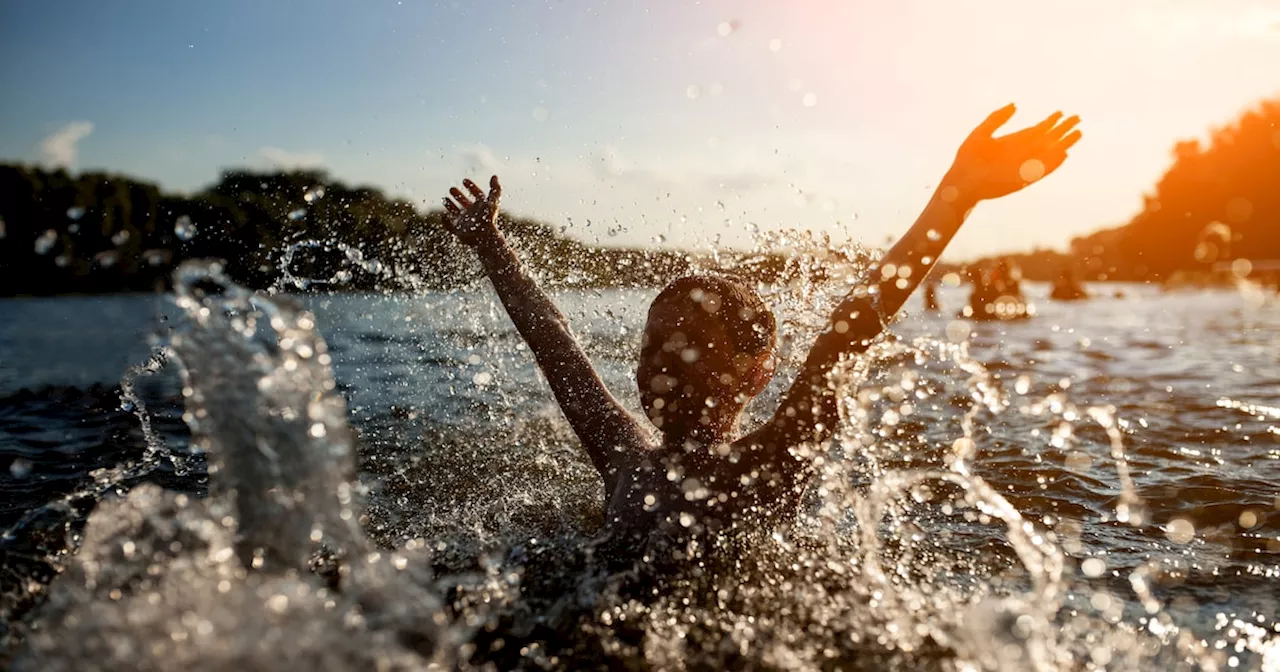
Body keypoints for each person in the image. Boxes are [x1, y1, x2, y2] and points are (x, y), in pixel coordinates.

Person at [439, 104, 1080, 549]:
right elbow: (554, 342)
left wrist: (957, 193)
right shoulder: (623, 456)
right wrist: (492, 246)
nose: (657, 363)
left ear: (756, 372)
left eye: (686, 348)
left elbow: (848, 332)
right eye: (652, 345)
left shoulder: (772, 463)